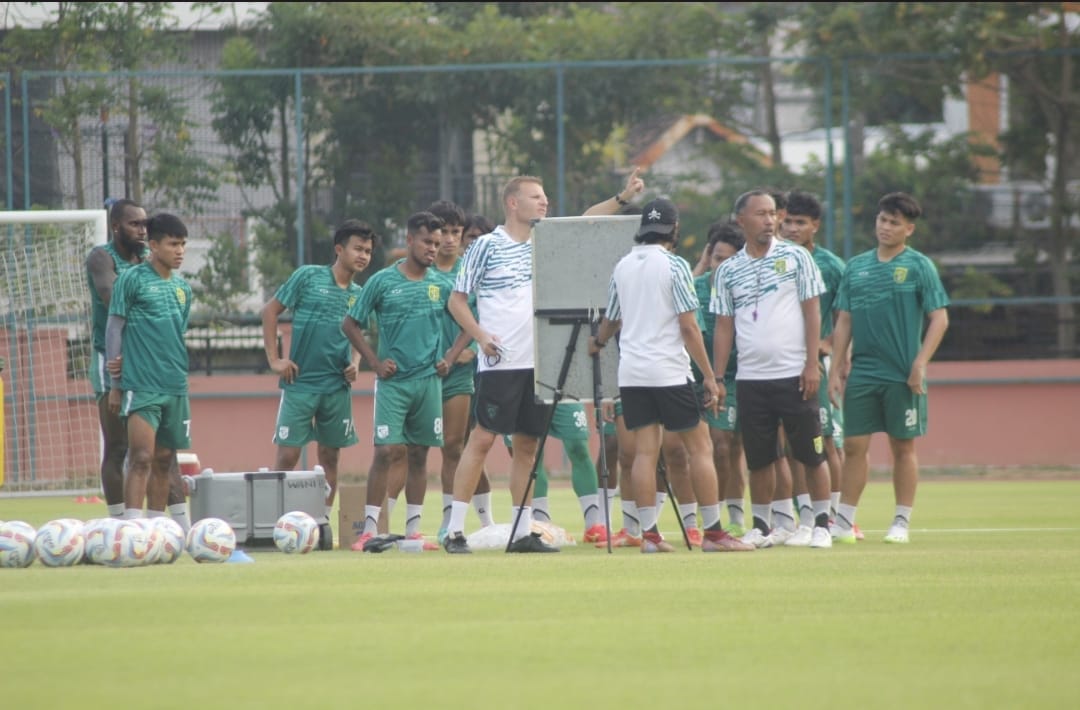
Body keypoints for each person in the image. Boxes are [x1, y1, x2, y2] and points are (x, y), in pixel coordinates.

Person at [589, 197, 753, 553]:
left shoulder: (622, 266)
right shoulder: (675, 266)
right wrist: (710, 376)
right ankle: (713, 533)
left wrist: (597, 342)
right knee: (700, 447)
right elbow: (689, 326)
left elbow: (611, 319)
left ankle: (649, 536)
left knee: (645, 453)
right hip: (669, 371)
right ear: (673, 229)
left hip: (632, 374)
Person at [440, 176, 558, 554]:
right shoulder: (487, 246)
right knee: (483, 439)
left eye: (545, 197)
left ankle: (522, 533)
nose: (544, 203)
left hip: (538, 364)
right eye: (535, 197)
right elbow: (457, 301)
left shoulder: (545, 243)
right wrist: (482, 337)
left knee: (527, 446)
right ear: (512, 203)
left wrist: (622, 199)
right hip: (500, 364)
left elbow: (588, 220)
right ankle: (455, 531)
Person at [711, 189, 835, 549]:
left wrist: (812, 364)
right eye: (761, 214)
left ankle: (822, 523)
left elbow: (812, 312)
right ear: (742, 221)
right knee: (760, 458)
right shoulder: (729, 270)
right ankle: (761, 526)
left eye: (772, 214)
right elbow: (723, 326)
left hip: (795, 373)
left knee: (810, 453)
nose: (770, 220)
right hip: (751, 379)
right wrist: (718, 377)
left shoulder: (796, 258)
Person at [828, 192, 949, 544]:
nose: (886, 227)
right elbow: (844, 320)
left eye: (895, 222)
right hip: (864, 372)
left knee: (902, 447)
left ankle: (901, 521)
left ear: (908, 229)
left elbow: (939, 319)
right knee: (852, 446)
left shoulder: (918, 266)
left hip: (901, 373)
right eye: (882, 219)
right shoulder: (856, 267)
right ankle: (844, 521)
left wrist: (920, 364)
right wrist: (836, 368)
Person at [261, 219, 374, 549]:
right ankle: (275, 524)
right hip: (299, 384)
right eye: (358, 249)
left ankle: (322, 526)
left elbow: (356, 334)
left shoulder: (359, 294)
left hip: (336, 388)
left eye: (368, 251)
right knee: (287, 457)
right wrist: (274, 359)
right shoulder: (308, 276)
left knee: (330, 459)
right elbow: (270, 311)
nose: (363, 256)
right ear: (339, 249)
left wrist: (355, 363)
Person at [342, 212, 448, 551]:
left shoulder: (441, 284)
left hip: (428, 382)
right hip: (393, 384)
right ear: (410, 241)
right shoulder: (382, 281)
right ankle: (369, 530)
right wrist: (373, 362)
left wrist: (450, 355)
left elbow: (466, 321)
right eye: (427, 242)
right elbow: (350, 324)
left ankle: (413, 528)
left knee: (419, 454)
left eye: (437, 242)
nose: (433, 248)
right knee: (386, 451)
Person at [105, 213, 193, 522]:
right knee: (140, 457)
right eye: (173, 244)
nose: (180, 251)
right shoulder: (132, 279)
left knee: (165, 461)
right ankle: (131, 528)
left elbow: (175, 335)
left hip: (175, 386)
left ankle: (157, 530)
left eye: (183, 244)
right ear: (153, 245)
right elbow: (115, 328)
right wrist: (115, 384)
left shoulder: (184, 289)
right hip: (141, 385)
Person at [779, 190, 856, 545]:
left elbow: (846, 318)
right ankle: (806, 518)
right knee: (792, 444)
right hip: (778, 364)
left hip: (816, 365)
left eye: (800, 223)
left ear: (815, 226)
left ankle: (840, 519)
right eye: (788, 221)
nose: (792, 228)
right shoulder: (771, 259)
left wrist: (835, 357)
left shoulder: (832, 266)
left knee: (823, 441)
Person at [425, 200, 496, 542]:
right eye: (445, 232)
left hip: (462, 374)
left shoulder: (471, 271)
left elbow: (486, 312)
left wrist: (468, 348)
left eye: (456, 232)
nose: (451, 240)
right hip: (421, 374)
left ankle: (460, 522)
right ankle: (406, 526)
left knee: (457, 447)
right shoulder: (418, 271)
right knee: (414, 450)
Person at [695, 221, 749, 536]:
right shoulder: (696, 286)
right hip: (708, 379)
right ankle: (711, 515)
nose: (721, 266)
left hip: (746, 375)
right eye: (717, 258)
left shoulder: (746, 288)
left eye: (728, 260)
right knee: (719, 445)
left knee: (739, 445)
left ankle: (738, 514)